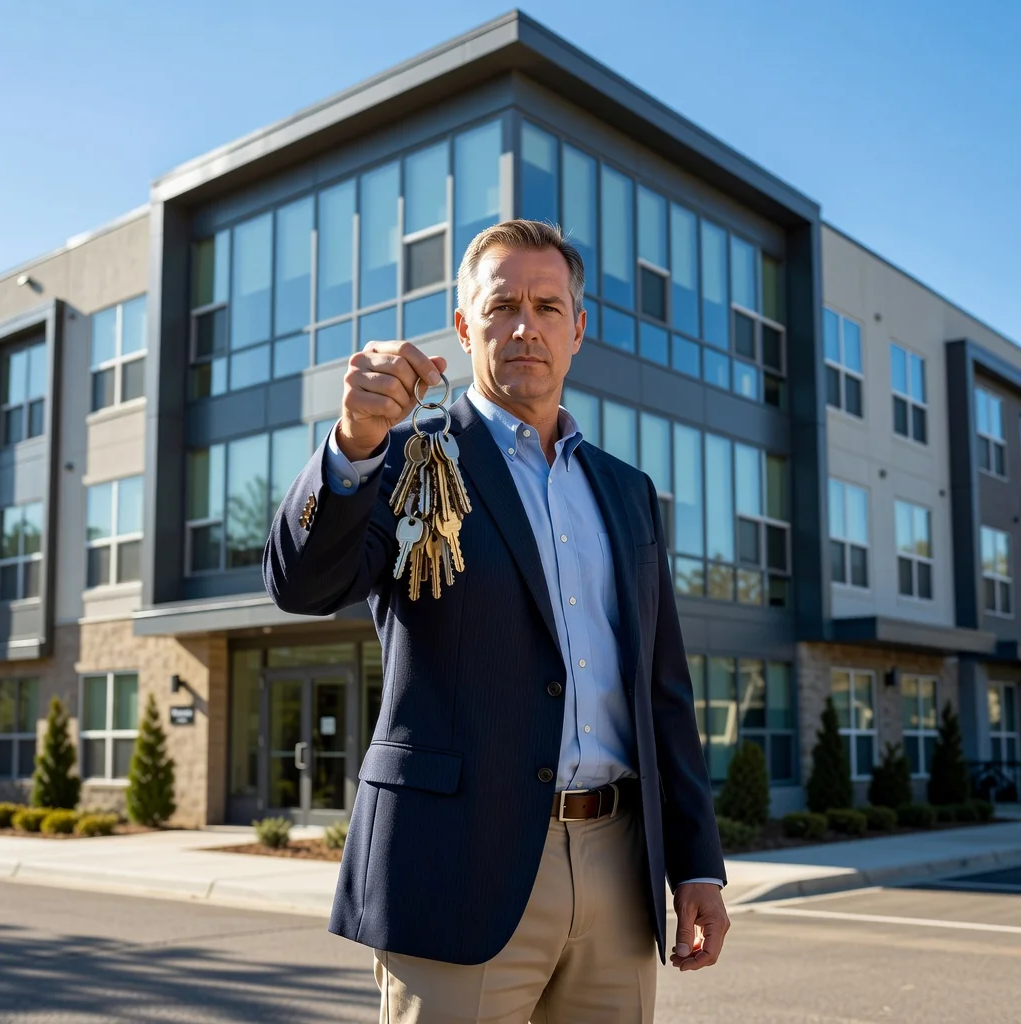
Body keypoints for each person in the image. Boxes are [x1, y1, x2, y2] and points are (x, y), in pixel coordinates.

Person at [263, 219, 729, 1023]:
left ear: (578, 329)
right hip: (456, 869)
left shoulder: (627, 491)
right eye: (502, 303)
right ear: (462, 325)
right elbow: (304, 585)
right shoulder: (408, 457)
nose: (525, 325)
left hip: (618, 870)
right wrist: (352, 442)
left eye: (548, 307)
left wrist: (696, 865)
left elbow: (663, 690)